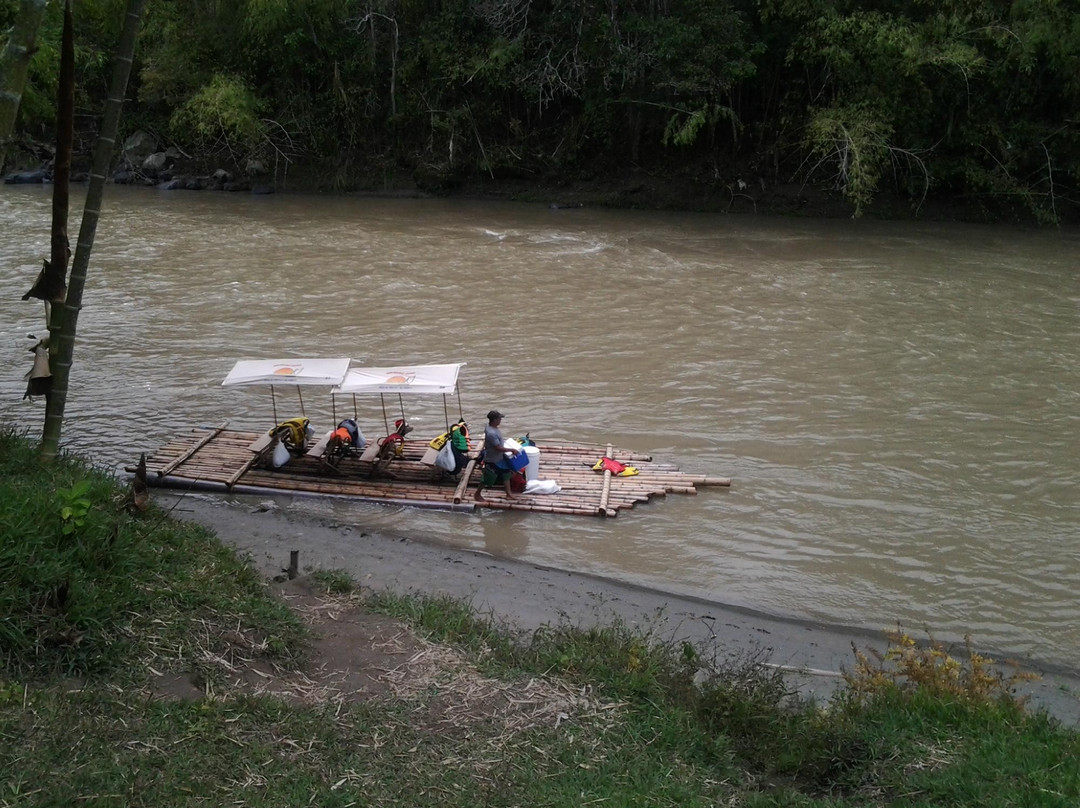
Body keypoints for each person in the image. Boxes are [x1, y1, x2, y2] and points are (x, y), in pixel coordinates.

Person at [474, 410, 520, 501]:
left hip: (500, 457)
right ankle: (477, 494)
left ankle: (509, 494)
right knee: (488, 478)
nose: (500, 420)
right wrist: (511, 449)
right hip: (492, 459)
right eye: (499, 419)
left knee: (506, 474)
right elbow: (497, 448)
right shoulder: (492, 433)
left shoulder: (489, 426)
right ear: (494, 420)